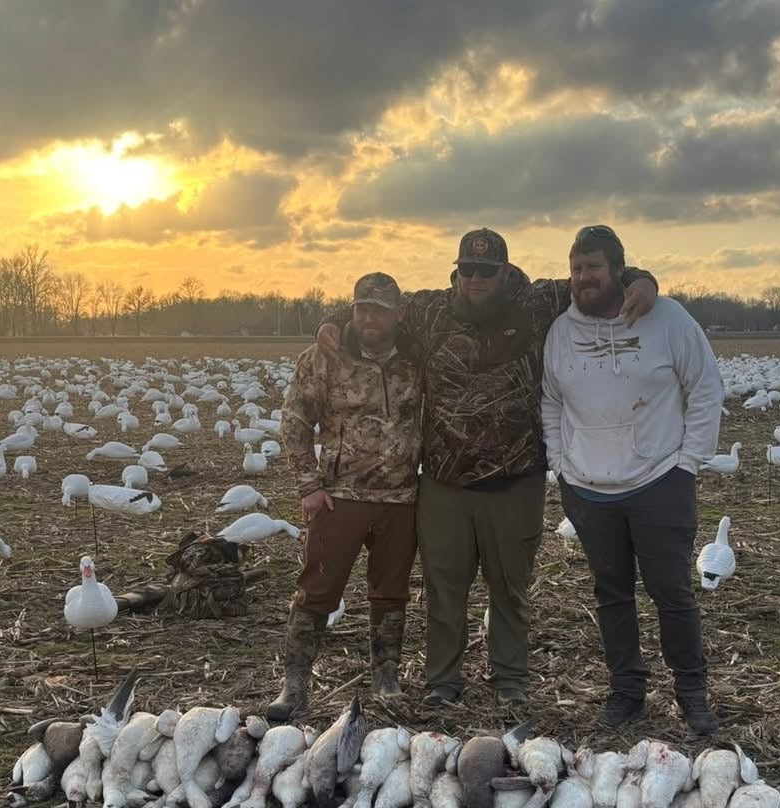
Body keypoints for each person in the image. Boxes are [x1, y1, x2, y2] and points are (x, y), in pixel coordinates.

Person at [320, 230, 657, 709]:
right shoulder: (431, 309)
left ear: (504, 272)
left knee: (510, 589)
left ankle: (509, 680)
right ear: (456, 271)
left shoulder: (537, 302)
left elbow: (595, 282)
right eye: (466, 270)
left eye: (485, 271)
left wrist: (644, 281)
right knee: (444, 589)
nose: (474, 279)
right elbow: (378, 308)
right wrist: (332, 322)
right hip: (444, 482)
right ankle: (443, 682)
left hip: (515, 479)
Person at [541, 224, 724, 734]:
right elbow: (552, 400)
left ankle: (692, 693)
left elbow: (706, 387)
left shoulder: (668, 319)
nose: (583, 278)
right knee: (611, 594)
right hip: (588, 489)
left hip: (660, 479)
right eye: (576, 269)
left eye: (594, 268)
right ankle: (626, 692)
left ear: (619, 270)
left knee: (672, 592)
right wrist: (561, 463)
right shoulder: (561, 331)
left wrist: (689, 462)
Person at [270, 272, 421, 723]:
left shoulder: (417, 358)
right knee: (317, 589)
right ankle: (294, 684)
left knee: (391, 593)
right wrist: (309, 486)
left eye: (378, 309)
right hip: (340, 496)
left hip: (401, 497)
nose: (369, 317)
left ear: (397, 313)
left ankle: (386, 675)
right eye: (360, 308)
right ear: (350, 310)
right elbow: (294, 420)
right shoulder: (323, 357)